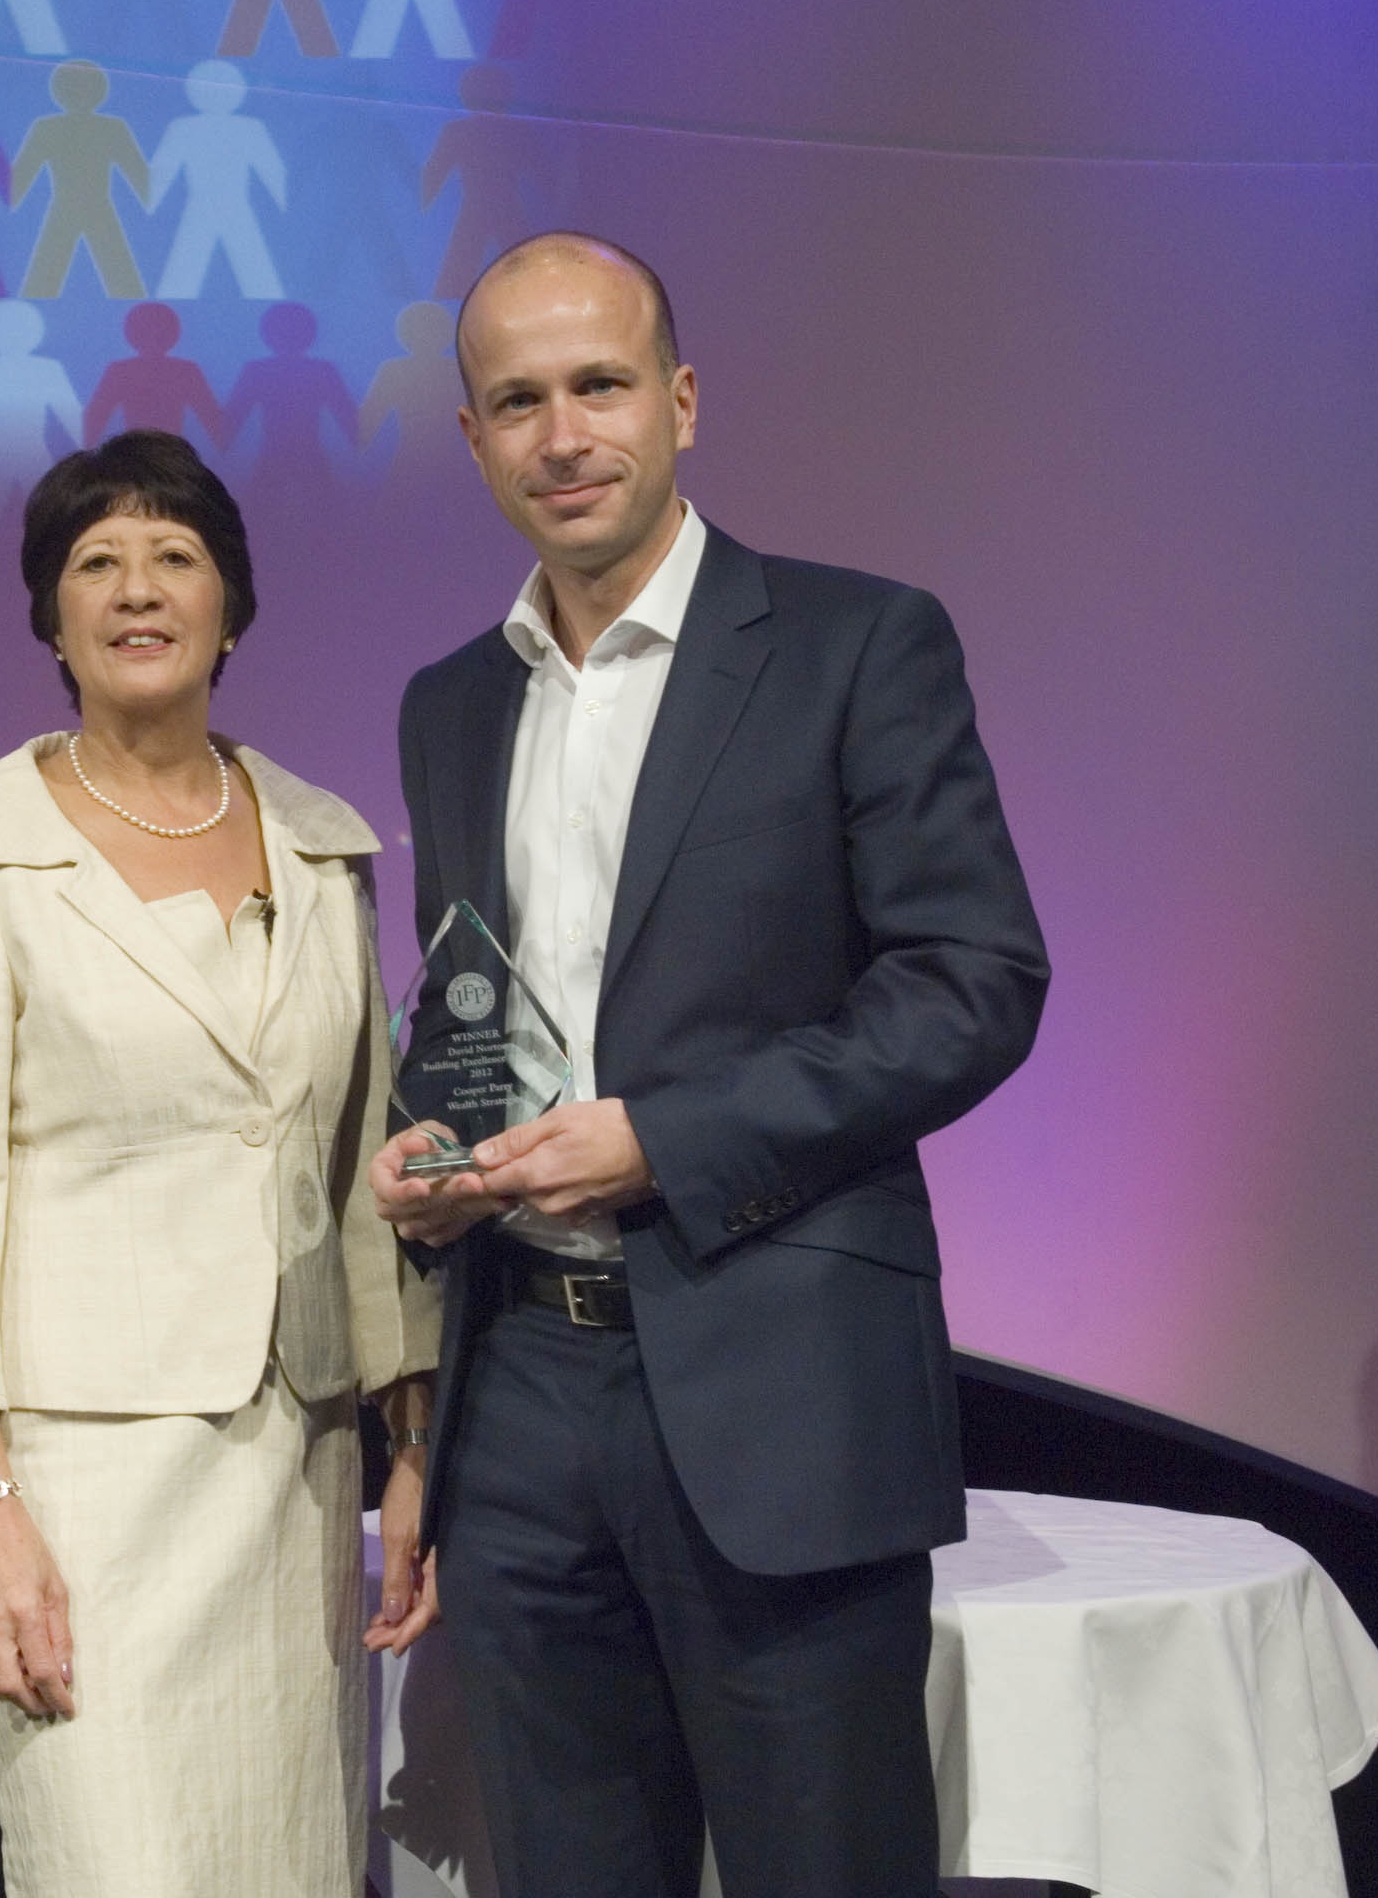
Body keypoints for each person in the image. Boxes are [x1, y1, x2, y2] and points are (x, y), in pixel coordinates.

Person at [371, 231, 1048, 1898]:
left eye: (599, 385)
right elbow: (483, 1009)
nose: (563, 433)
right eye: (517, 401)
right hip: (520, 1398)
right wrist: (425, 1150)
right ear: (471, 440)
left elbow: (974, 982)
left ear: (680, 401)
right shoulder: (450, 701)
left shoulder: (855, 643)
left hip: (781, 1389)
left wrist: (662, 1140)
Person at [0, 429, 440, 1897]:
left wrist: (413, 1432)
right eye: (96, 563)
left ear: (231, 609)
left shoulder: (321, 847)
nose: (139, 590)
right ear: (51, 618)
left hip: (293, 1469)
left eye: (176, 557)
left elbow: (357, 1161)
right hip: (81, 1484)